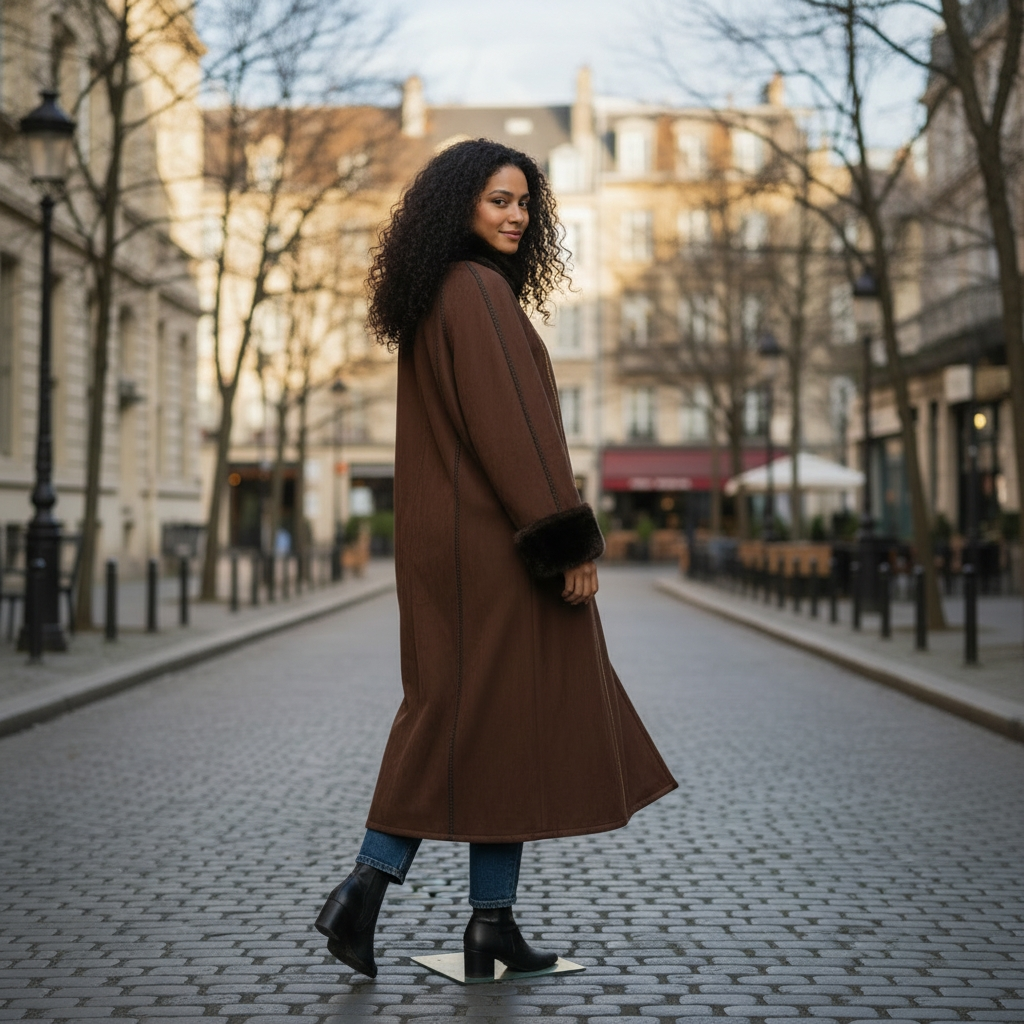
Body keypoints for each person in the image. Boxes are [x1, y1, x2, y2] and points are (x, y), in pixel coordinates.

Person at [315, 139, 677, 981]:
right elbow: (514, 429)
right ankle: (365, 887)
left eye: (524, 204)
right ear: (459, 206)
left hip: (454, 546)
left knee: (489, 721)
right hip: (498, 550)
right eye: (498, 201)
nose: (516, 217)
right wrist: (564, 536)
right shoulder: (475, 291)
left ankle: (490, 923)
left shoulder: (441, 293)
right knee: (464, 716)